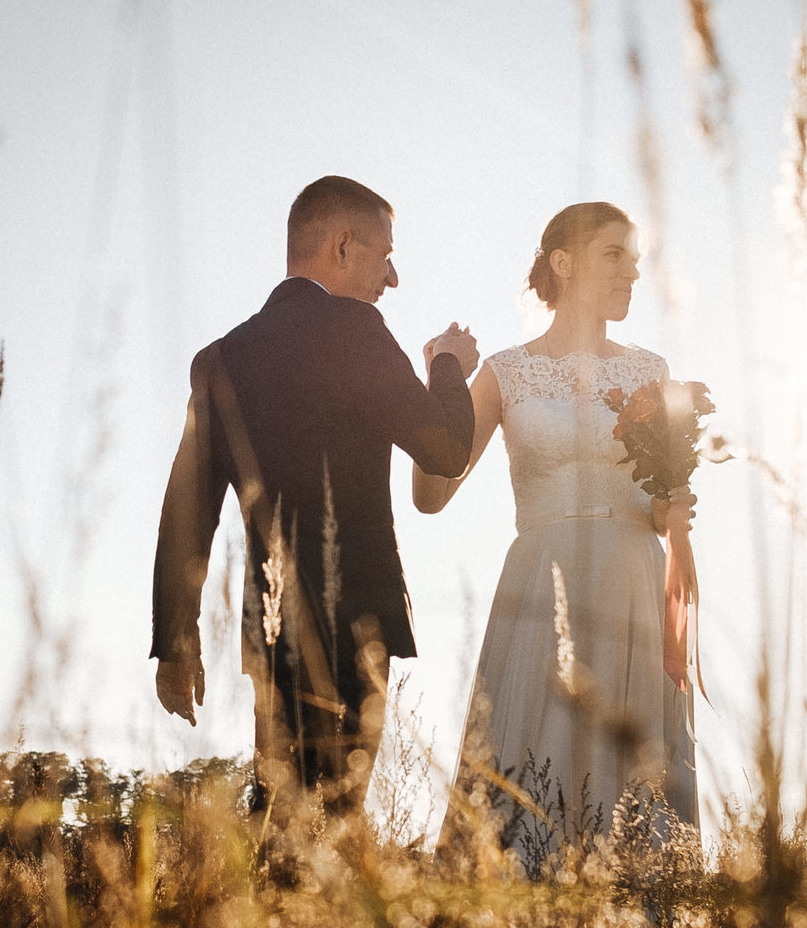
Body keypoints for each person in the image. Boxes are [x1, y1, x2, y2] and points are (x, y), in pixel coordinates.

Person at [152, 176, 479, 816]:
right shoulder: (357, 331)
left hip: (270, 629)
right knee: (336, 817)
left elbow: (186, 511)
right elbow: (444, 448)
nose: (392, 279)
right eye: (386, 256)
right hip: (359, 622)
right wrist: (447, 364)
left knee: (281, 806)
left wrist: (175, 638)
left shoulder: (220, 357)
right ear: (342, 246)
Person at [417, 201, 702, 872]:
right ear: (563, 262)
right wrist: (444, 380)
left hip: (632, 580)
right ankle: (511, 918)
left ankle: (633, 924)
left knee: (630, 770)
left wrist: (676, 512)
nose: (632, 269)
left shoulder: (651, 373)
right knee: (531, 757)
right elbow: (431, 495)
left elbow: (661, 506)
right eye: (614, 254)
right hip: (539, 582)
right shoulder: (506, 372)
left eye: (635, 257)